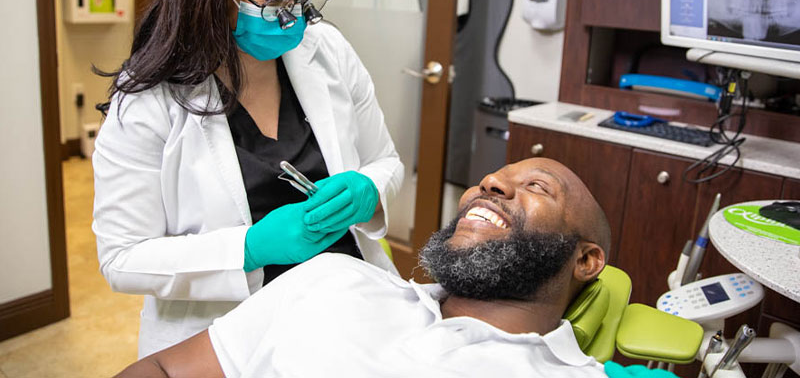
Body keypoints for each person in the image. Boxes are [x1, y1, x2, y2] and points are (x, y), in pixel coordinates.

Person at [92, 0, 403, 358]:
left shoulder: (328, 52)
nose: (293, 20)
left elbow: (384, 161)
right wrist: (249, 248)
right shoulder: (148, 100)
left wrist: (370, 192)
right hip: (231, 334)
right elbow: (122, 258)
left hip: (350, 307)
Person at [115, 157, 625, 378]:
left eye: (537, 187)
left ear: (586, 260)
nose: (490, 182)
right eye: (493, 177)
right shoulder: (334, 278)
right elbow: (163, 368)